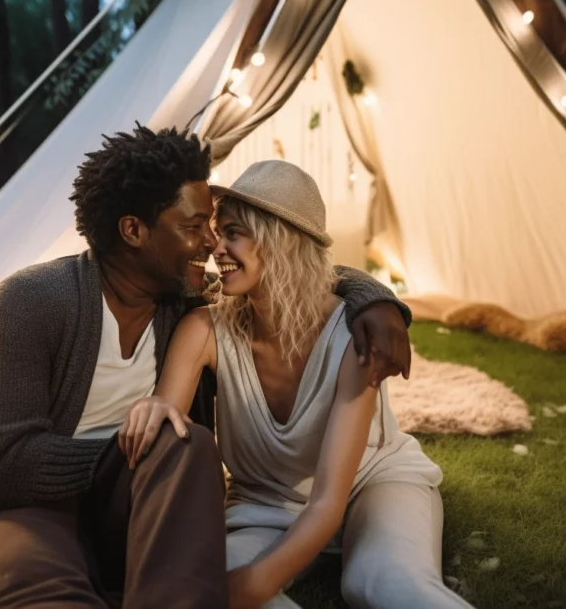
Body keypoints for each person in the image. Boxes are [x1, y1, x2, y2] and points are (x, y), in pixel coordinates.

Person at [0, 126, 414, 609]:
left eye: (217, 227)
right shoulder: (28, 302)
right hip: (29, 508)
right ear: (134, 231)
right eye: (195, 226)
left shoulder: (186, 306)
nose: (211, 240)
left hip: (139, 501)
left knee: (187, 446)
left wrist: (378, 301)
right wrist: (127, 450)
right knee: (39, 584)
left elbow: (297, 267)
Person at [119, 160, 474, 609]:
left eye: (233, 233)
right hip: (264, 506)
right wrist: (153, 407)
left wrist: (253, 587)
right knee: (204, 580)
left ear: (278, 240)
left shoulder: (352, 334)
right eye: (218, 232)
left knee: (378, 581)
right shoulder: (204, 329)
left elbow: (328, 503)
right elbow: (167, 416)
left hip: (374, 486)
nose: (216, 249)